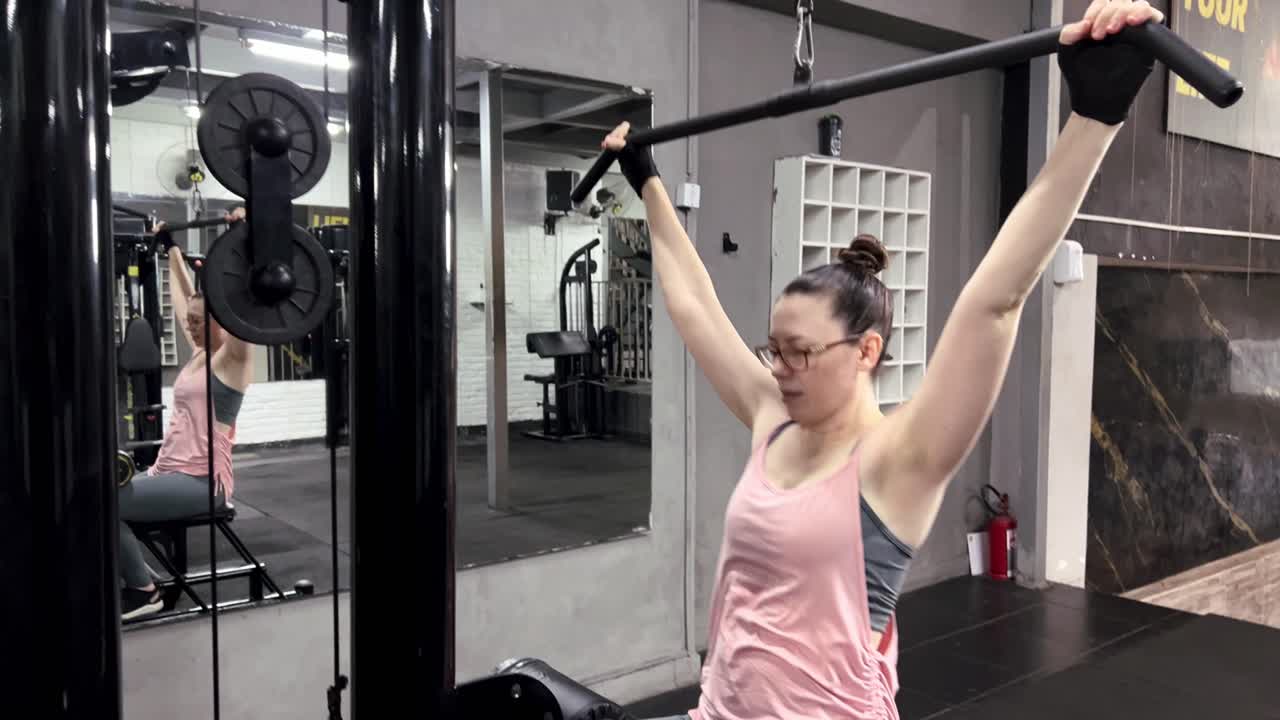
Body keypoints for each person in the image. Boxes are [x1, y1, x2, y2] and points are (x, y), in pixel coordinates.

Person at [617, 1, 1162, 717]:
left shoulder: (897, 461)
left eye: (801, 353)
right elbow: (693, 305)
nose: (778, 368)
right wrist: (648, 180)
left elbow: (994, 300)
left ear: (867, 350)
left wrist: (1094, 117)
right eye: (773, 350)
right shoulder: (772, 420)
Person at [119, 207, 255, 621]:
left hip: (202, 482)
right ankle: (142, 577)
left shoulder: (232, 362)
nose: (191, 328)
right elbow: (183, 298)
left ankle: (144, 590)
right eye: (191, 323)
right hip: (168, 471)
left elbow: (243, 307)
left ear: (221, 321)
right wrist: (171, 250)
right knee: (90, 493)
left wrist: (241, 243)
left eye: (199, 323)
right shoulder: (199, 355)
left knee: (104, 504)